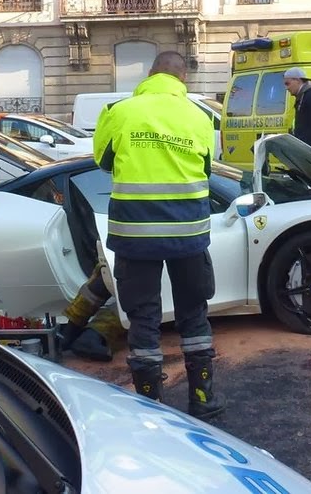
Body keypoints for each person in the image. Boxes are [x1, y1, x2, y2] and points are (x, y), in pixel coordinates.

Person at [93, 51, 225, 419]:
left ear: (150, 74)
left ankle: (150, 403)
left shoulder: (118, 111)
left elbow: (103, 162)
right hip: (189, 233)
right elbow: (205, 168)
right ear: (183, 79)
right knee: (194, 313)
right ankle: (203, 398)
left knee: (143, 317)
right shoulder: (200, 117)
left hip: (135, 233)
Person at [283, 67, 311, 150]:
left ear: (297, 80)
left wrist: (308, 149)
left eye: (287, 83)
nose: (286, 88)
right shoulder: (303, 96)